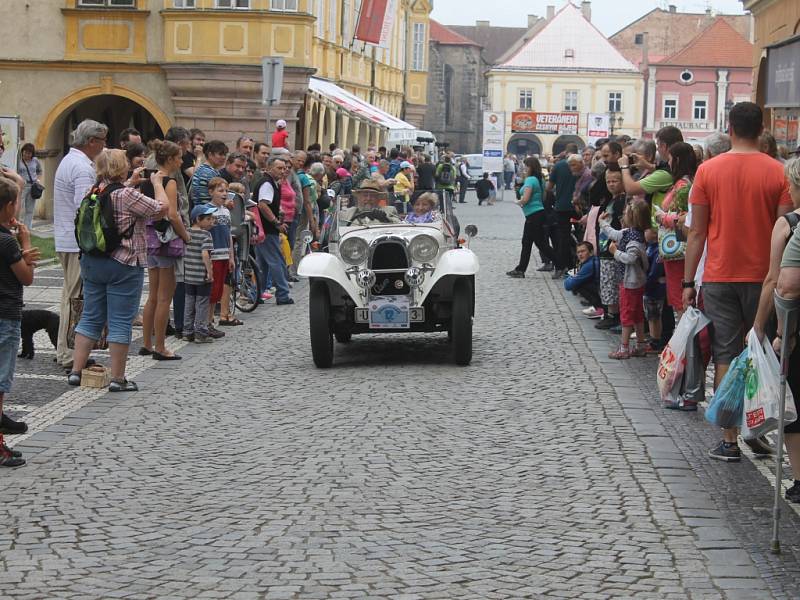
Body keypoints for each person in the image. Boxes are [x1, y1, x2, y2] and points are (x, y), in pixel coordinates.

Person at [683, 102, 793, 462]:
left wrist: (688, 280)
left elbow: (697, 232)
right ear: (761, 130)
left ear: (729, 128)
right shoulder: (778, 173)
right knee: (763, 352)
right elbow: (786, 229)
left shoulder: (708, 171)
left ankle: (729, 439)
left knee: (726, 354)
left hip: (720, 275)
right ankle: (760, 428)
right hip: (766, 278)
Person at [68, 150, 167, 392]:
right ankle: (118, 378)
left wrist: (128, 182)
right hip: (123, 262)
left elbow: (114, 196)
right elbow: (162, 209)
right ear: (121, 168)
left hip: (92, 261)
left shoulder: (91, 192)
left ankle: (76, 372)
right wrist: (157, 183)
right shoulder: (128, 195)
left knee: (91, 316)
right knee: (120, 320)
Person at [753, 158, 800, 499]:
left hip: (795, 326)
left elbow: (778, 283)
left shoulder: (788, 225)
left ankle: (799, 479)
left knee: (793, 399)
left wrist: (766, 328)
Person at [53, 119, 107, 371]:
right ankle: (68, 353)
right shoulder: (82, 167)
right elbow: (85, 207)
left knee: (69, 296)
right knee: (75, 299)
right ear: (91, 142)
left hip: (65, 238)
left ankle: (65, 349)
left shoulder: (69, 160)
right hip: (75, 242)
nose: (105, 145)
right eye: (102, 140)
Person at [139, 140, 191, 361]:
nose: (181, 161)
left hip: (149, 240)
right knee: (164, 297)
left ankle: (147, 343)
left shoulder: (147, 180)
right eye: (179, 157)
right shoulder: (168, 182)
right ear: (170, 159)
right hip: (166, 242)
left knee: (152, 296)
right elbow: (172, 214)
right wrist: (186, 235)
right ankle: (160, 346)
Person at [0, 176, 39, 468]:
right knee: (1, 384)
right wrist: (26, 247)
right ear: (10, 206)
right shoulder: (7, 241)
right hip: (6, 315)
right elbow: (25, 277)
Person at [649, 142, 697, 319]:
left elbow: (687, 217)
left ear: (676, 159)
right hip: (675, 246)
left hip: (678, 247)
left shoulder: (684, 185)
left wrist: (663, 218)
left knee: (679, 298)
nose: (668, 163)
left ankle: (682, 342)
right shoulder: (684, 182)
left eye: (669, 159)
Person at [602, 198, 651, 359]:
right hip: (632, 281)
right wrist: (603, 223)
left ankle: (624, 348)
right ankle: (641, 345)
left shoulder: (634, 240)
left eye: (625, 213)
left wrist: (615, 252)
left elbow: (630, 259)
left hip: (631, 283)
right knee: (636, 314)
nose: (623, 216)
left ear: (633, 217)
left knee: (627, 314)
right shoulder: (629, 233)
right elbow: (614, 233)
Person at [507, 157, 559, 279]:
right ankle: (520, 269)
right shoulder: (539, 179)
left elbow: (525, 199)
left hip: (534, 215)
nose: (524, 169)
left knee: (540, 244)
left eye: (525, 167)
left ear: (530, 167)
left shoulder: (530, 180)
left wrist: (517, 201)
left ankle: (561, 263)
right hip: (537, 214)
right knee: (527, 242)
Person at [253, 157, 293, 305]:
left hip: (263, 229)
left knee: (262, 264)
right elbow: (263, 205)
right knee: (277, 261)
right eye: (279, 168)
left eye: (284, 168)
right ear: (270, 168)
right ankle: (282, 294)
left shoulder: (271, 183)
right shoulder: (267, 183)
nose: (283, 171)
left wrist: (278, 210)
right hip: (267, 229)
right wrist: (276, 223)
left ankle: (256, 294)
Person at [594, 168, 627, 330]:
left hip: (613, 247)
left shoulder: (622, 201)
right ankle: (610, 313)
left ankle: (614, 315)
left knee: (612, 283)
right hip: (604, 246)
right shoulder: (609, 200)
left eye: (615, 181)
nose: (611, 184)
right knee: (607, 283)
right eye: (608, 181)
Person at [203, 177, 237, 329]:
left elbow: (228, 234)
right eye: (220, 190)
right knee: (212, 290)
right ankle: (207, 321)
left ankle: (211, 321)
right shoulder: (206, 211)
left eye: (226, 191)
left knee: (219, 290)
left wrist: (231, 256)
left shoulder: (226, 212)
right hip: (214, 255)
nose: (224, 194)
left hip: (224, 255)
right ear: (211, 192)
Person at [182, 204, 216, 343]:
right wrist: (210, 272)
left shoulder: (187, 232)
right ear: (198, 219)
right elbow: (205, 254)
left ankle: (187, 331)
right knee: (202, 304)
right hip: (201, 276)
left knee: (189, 302)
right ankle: (200, 332)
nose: (212, 221)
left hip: (188, 275)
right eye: (208, 219)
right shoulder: (206, 235)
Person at [546, 145, 581, 278]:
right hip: (577, 207)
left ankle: (561, 267)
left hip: (561, 207)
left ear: (566, 152)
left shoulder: (559, 166)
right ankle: (574, 267)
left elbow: (549, 187)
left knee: (562, 239)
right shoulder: (581, 165)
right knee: (579, 237)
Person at [643, 227, 666, 353]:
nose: (644, 233)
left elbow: (654, 272)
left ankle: (655, 341)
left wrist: (647, 284)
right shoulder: (650, 248)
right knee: (651, 315)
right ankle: (654, 339)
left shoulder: (657, 250)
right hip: (650, 288)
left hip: (654, 288)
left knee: (654, 316)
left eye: (647, 231)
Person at [189, 140, 228, 209]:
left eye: (225, 154)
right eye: (220, 154)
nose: (224, 157)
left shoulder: (205, 169)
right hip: (207, 213)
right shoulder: (208, 172)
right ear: (210, 155)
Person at [564, 241, 601, 310]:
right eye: (578, 252)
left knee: (577, 285)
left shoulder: (588, 265)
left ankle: (599, 308)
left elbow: (567, 286)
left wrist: (573, 276)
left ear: (591, 252)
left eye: (583, 251)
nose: (580, 254)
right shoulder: (593, 260)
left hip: (601, 293)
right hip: (600, 291)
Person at [17, 143, 42, 229]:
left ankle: (27, 228)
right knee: (18, 207)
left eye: (29, 153)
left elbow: (39, 171)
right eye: (25, 152)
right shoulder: (18, 161)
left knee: (30, 209)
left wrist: (38, 179)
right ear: (22, 151)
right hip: (21, 186)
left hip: (32, 186)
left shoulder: (35, 160)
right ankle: (17, 226)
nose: (27, 154)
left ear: (32, 154)